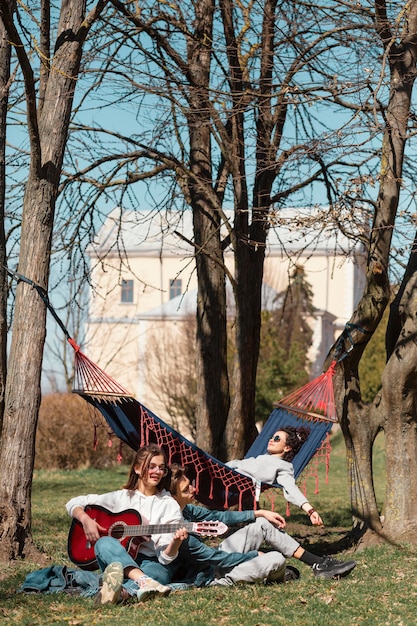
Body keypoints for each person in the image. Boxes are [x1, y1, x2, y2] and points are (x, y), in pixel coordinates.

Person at [170, 464, 357, 580]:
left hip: (217, 561)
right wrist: (253, 555)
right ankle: (277, 575)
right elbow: (215, 558)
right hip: (213, 576)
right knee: (276, 559)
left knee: (263, 524)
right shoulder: (175, 526)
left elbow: (221, 517)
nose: (194, 490)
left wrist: (258, 513)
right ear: (173, 496)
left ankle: (318, 564)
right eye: (187, 489)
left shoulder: (187, 509)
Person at [65, 444, 189, 605]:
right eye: (151, 467)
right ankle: (144, 583)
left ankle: (120, 592)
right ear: (137, 469)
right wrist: (86, 520)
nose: (157, 472)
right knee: (103, 543)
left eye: (161, 468)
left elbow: (165, 558)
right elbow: (74, 502)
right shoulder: (121, 497)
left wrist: (176, 542)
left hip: (151, 561)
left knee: (159, 574)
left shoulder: (168, 504)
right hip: (118, 558)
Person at [226, 426, 324, 525]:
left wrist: (310, 510)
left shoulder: (283, 467)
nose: (271, 440)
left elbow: (290, 488)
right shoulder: (260, 457)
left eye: (277, 439)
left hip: (228, 485)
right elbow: (236, 464)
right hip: (223, 473)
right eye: (272, 437)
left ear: (287, 448)